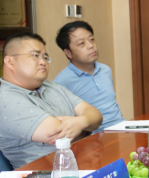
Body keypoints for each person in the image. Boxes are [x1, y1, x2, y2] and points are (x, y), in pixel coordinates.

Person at [0, 33, 102, 169]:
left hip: (81, 161)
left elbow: (96, 115)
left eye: (45, 57)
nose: (42, 62)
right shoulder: (5, 99)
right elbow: (60, 136)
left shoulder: (53, 87)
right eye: (35, 55)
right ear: (10, 62)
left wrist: (81, 122)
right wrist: (87, 127)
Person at [53, 21, 124, 133]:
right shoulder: (61, 82)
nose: (91, 46)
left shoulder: (105, 70)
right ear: (68, 53)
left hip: (121, 127)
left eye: (91, 39)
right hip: (93, 137)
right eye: (81, 43)